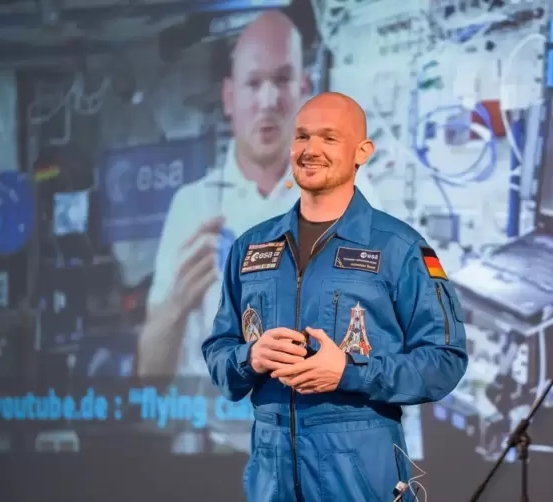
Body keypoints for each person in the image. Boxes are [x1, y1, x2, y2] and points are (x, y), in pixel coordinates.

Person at [202, 92, 469, 501]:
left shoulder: (399, 247)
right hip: (270, 481)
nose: (310, 150)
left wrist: (349, 371)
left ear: (362, 151)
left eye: (329, 138)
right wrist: (250, 357)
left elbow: (444, 361)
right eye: (302, 136)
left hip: (360, 478)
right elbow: (219, 350)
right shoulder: (250, 248)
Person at [137, 11, 381, 453]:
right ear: (230, 96)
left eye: (283, 80)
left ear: (304, 90)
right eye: (253, 83)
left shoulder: (358, 199)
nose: (268, 99)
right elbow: (150, 372)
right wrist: (175, 305)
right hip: (219, 458)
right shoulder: (192, 207)